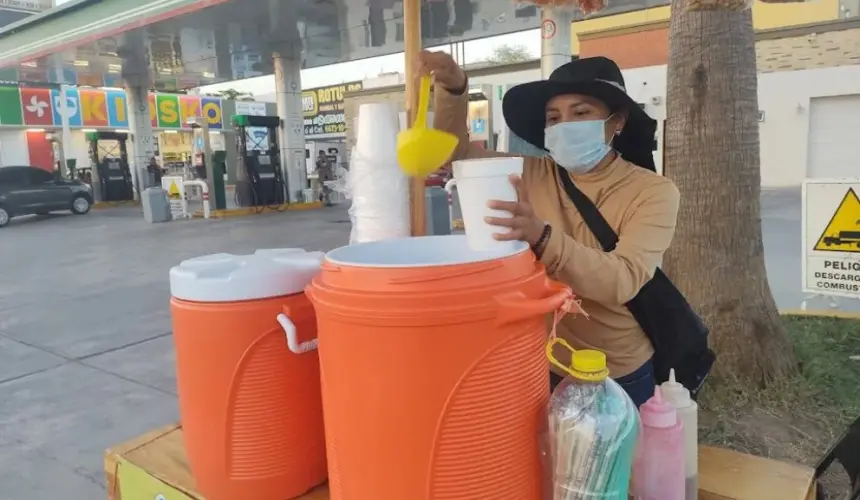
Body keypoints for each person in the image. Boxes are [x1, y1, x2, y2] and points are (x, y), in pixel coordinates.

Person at [418, 51, 680, 407]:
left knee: (614, 463)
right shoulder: (533, 171)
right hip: (542, 360)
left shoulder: (653, 192)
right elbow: (454, 154)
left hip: (616, 373)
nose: (564, 125)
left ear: (616, 121)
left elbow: (623, 279)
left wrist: (541, 237)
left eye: (581, 113)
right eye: (553, 118)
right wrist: (453, 89)